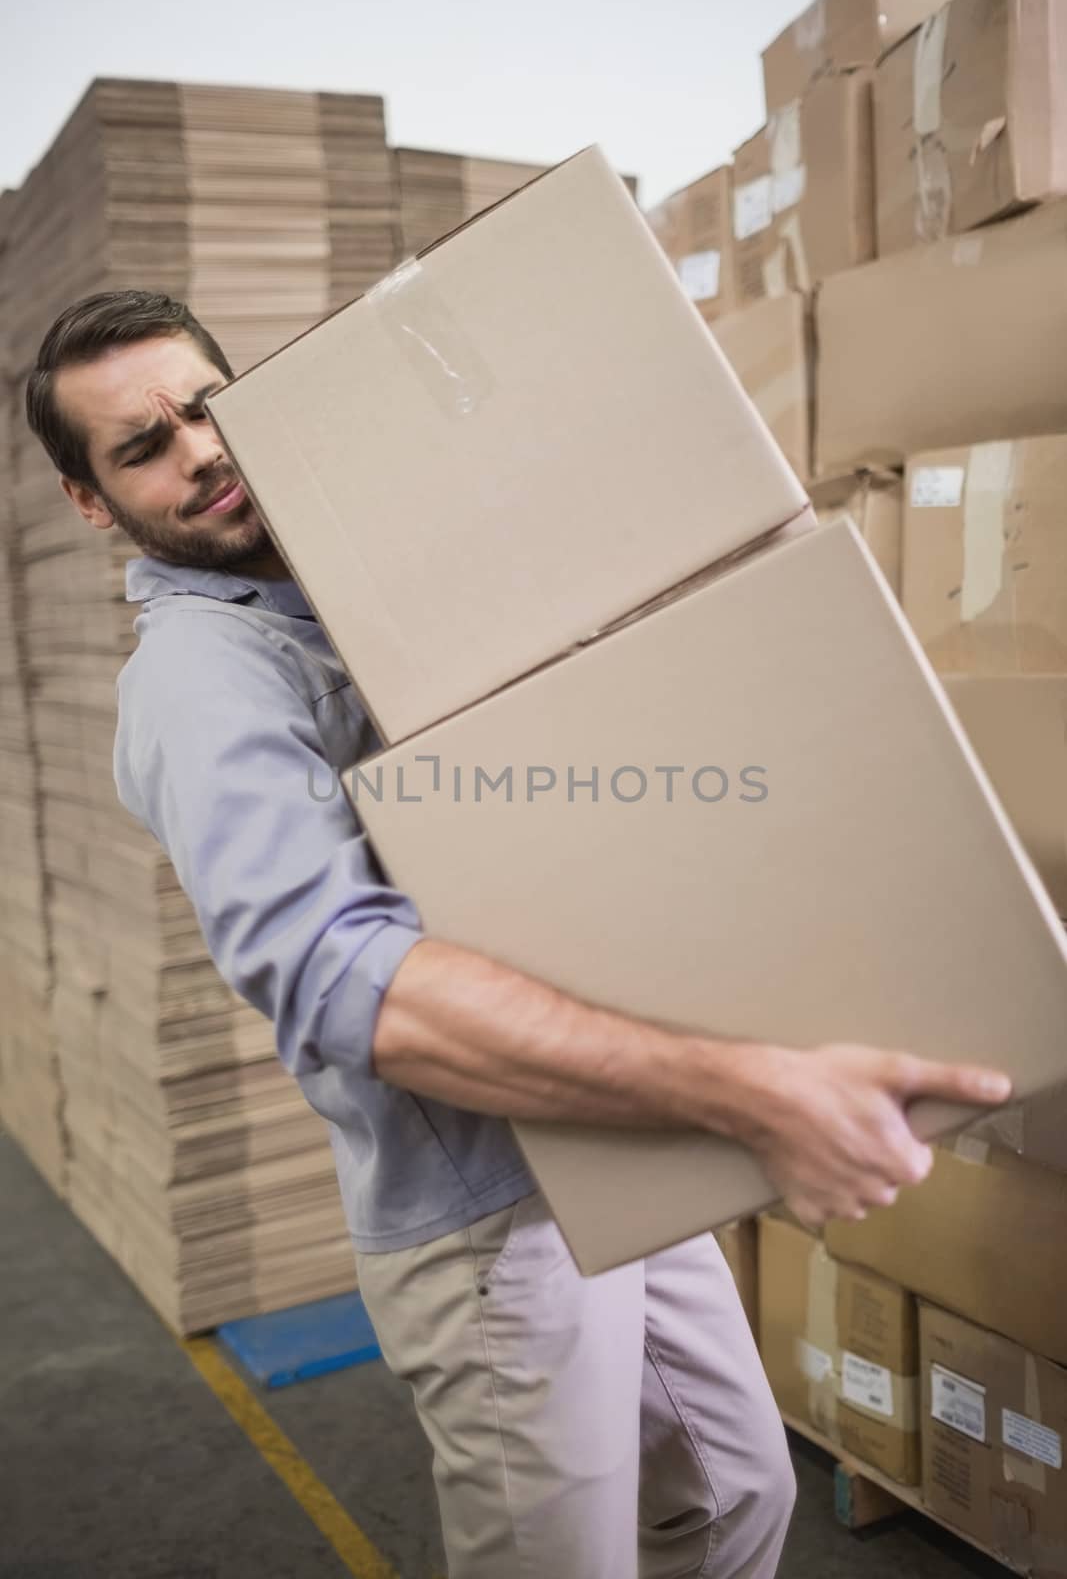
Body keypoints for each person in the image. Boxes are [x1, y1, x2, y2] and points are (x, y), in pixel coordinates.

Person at [26, 289, 1012, 1579]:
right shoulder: (204, 684)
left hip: (610, 1141)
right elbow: (342, 979)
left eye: (205, 408)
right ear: (92, 503)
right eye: (140, 447)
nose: (199, 452)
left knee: (733, 1500)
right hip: (487, 1219)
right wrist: (749, 1089)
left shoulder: (368, 592)